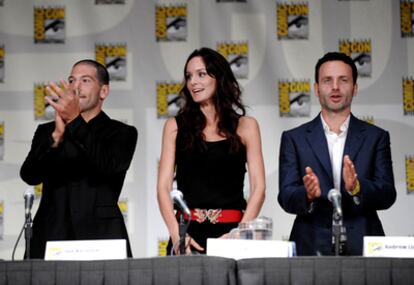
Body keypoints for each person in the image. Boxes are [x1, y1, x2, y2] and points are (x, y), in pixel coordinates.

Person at [278, 52, 397, 256]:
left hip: (363, 248)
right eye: (327, 80)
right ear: (316, 88)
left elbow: (387, 194)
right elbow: (286, 197)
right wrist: (307, 195)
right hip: (310, 245)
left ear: (355, 88)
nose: (335, 87)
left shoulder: (376, 137)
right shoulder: (293, 138)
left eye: (343, 80)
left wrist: (358, 187)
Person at [20, 59, 137, 259]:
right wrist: (56, 138)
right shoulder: (47, 131)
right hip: (51, 234)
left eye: (85, 80)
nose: (76, 86)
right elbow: (29, 175)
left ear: (104, 91)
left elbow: (107, 165)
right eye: (72, 80)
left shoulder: (122, 132)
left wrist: (75, 121)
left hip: (101, 236)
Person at [157, 47, 266, 254]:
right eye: (189, 77)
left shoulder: (246, 126)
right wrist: (175, 232)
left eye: (201, 74)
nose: (193, 82)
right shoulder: (175, 126)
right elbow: (163, 187)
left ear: (219, 77)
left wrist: (239, 233)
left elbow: (259, 188)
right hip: (186, 235)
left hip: (232, 233)